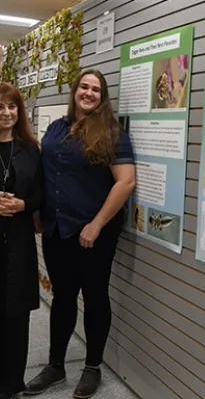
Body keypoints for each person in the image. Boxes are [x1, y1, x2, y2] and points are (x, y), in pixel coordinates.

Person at [25, 69, 136, 399]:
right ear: (76, 90)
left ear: (103, 97)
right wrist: (36, 210)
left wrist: (97, 223)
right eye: (84, 87)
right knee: (62, 297)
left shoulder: (112, 132)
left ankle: (92, 367)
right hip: (57, 227)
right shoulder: (58, 128)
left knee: (95, 296)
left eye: (96, 90)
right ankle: (55, 366)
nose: (89, 93)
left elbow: (126, 181)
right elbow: (46, 171)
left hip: (93, 231)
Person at [0, 83, 42, 399]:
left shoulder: (30, 148)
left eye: (12, 106)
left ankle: (13, 382)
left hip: (19, 243)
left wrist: (24, 205)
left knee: (17, 316)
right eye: (0, 107)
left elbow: (41, 194)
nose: (6, 113)